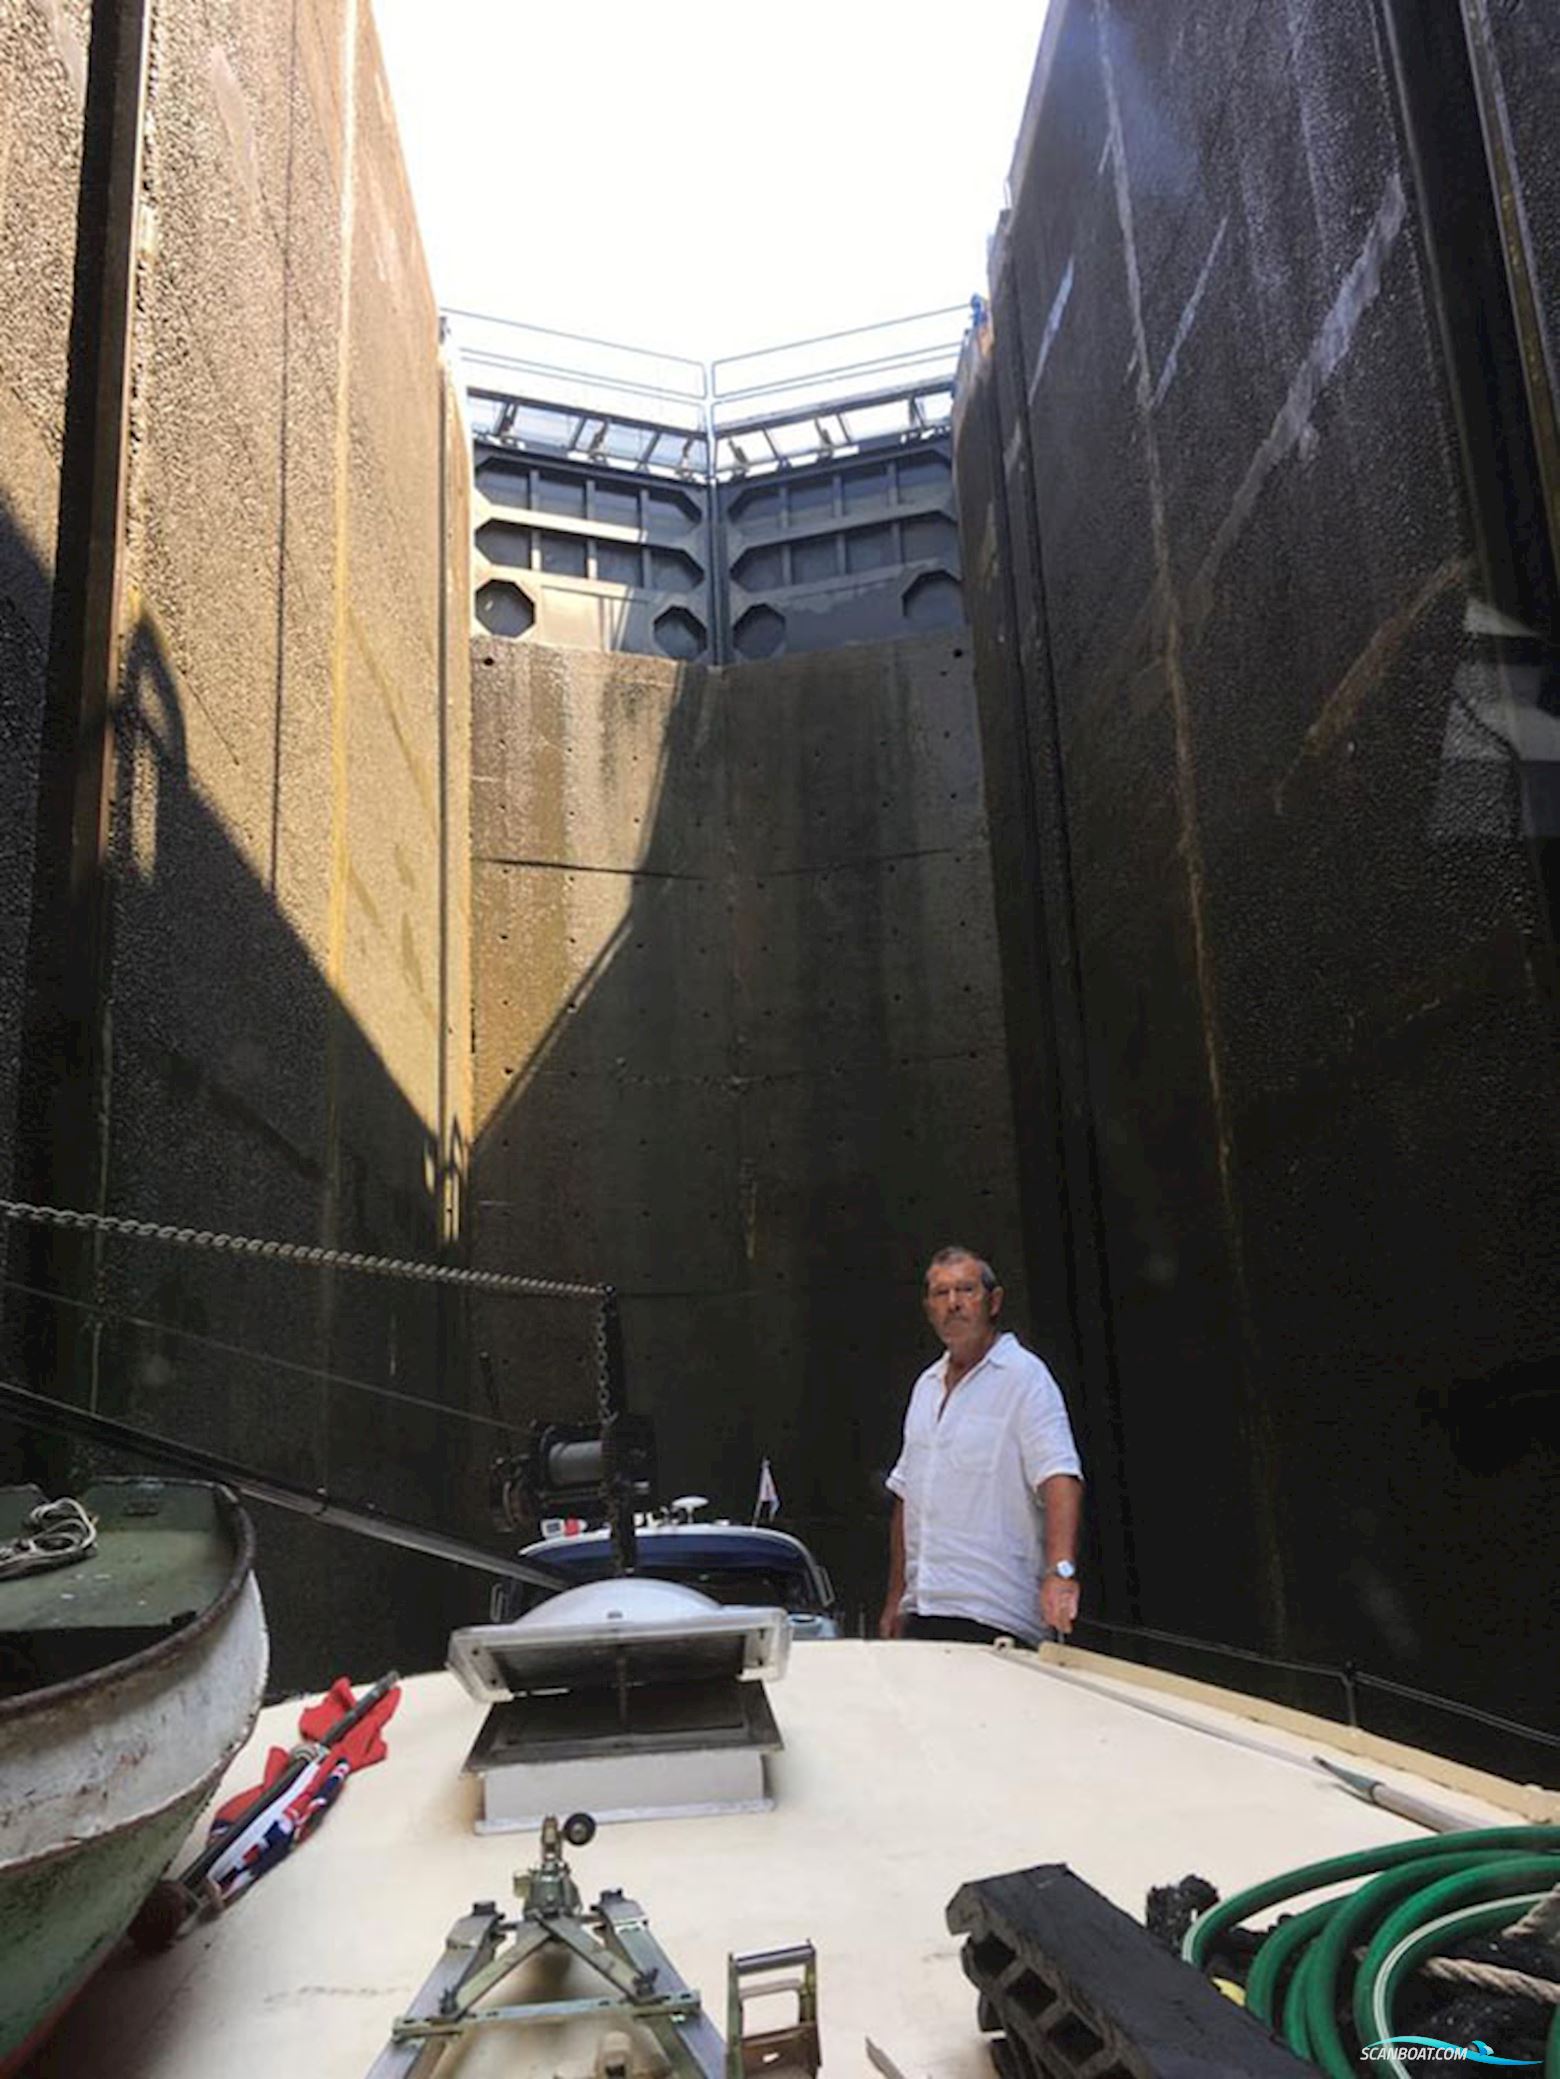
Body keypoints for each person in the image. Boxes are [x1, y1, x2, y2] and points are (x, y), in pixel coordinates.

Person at [879, 1245, 1083, 1645]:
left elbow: (1059, 1477)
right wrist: (895, 1597)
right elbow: (907, 1496)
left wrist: (1061, 1572)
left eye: (966, 1290)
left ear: (994, 1301)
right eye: (941, 1293)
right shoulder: (925, 1386)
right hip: (924, 1608)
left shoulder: (1024, 1377)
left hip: (996, 1613)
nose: (953, 1303)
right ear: (929, 1308)